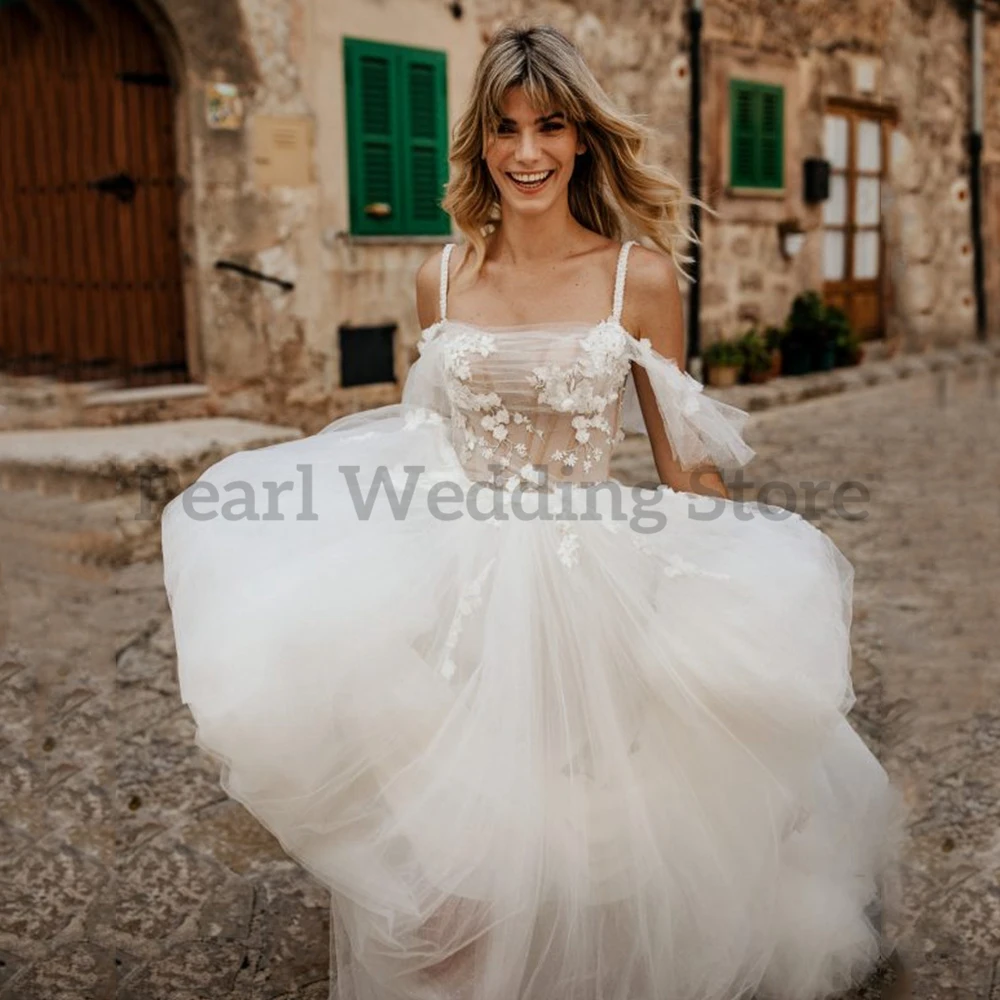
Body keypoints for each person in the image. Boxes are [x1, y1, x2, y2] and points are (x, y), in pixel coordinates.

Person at [160, 22, 903, 1000]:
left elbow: (684, 464)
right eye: (505, 129)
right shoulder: (437, 273)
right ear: (479, 141)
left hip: (587, 578)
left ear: (581, 137)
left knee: (590, 832)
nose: (525, 152)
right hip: (458, 580)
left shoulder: (634, 277)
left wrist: (733, 583)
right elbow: (420, 433)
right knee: (453, 843)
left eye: (548, 126)